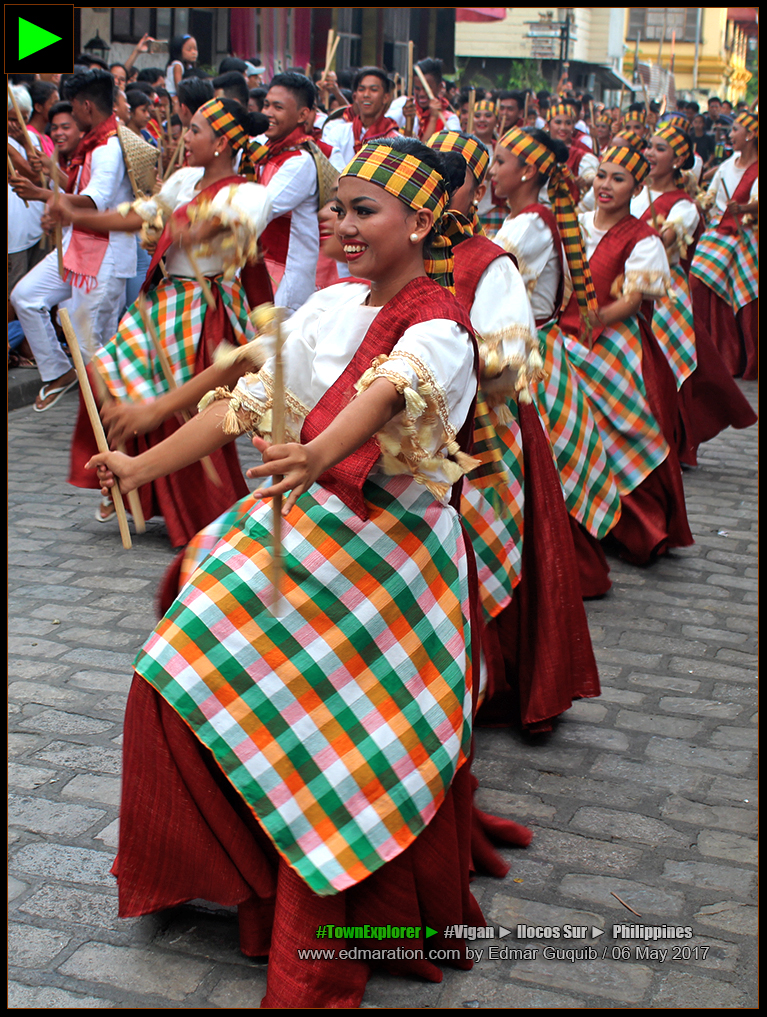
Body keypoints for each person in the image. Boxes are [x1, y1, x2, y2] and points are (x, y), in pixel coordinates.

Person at [85, 136, 528, 1009]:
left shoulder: (440, 322)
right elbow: (238, 407)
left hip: (391, 551)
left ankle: (313, 892)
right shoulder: (328, 306)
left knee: (337, 739)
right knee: (171, 673)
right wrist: (137, 467)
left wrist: (315, 451)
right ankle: (247, 870)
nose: (343, 224)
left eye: (366, 210)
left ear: (421, 220)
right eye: (338, 207)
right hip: (311, 520)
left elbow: (388, 393)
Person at [428, 128, 600, 731]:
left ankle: (484, 677)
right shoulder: (407, 254)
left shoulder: (489, 260)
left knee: (479, 546)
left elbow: (506, 358)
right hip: (412, 436)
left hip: (480, 433)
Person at [56, 98, 271, 542]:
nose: (185, 137)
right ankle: (128, 478)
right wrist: (73, 213)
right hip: (162, 299)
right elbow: (141, 216)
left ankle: (198, 511)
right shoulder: (184, 180)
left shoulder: (249, 191)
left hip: (205, 304)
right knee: (103, 373)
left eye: (194, 130)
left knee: (186, 407)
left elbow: (235, 223)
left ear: (222, 143)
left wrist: (198, 225)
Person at [491, 127, 620, 597]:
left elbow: (493, 280)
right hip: (531, 352)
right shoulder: (525, 218)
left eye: (501, 161)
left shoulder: (531, 224)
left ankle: (559, 568)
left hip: (531, 360)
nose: (492, 169)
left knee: (540, 462)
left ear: (527, 171)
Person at [559, 144, 693, 564]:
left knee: (621, 430)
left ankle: (630, 523)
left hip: (613, 344)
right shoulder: (573, 224)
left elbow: (634, 301)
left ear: (636, 187)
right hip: (563, 337)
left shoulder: (643, 239)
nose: (606, 185)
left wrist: (595, 321)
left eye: (618, 179)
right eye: (601, 175)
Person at [10, 69, 135, 412]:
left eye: (73, 111)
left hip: (106, 255)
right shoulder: (94, 141)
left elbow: (95, 200)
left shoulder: (109, 146)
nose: (68, 117)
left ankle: (114, 425)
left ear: (85, 107)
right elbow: (77, 189)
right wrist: (49, 180)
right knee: (26, 296)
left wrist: (40, 193)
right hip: (76, 246)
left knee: (92, 349)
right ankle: (59, 372)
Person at [634, 122, 757, 465]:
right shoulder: (631, 192)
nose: (650, 153)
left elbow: (664, 242)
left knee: (665, 372)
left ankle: (668, 443)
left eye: (660, 148)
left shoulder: (684, 207)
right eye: (649, 146)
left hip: (664, 298)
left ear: (678, 160)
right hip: (623, 290)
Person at [690, 110, 758, 380]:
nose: (730, 135)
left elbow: (755, 203)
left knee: (743, 296)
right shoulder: (728, 164)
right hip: (719, 233)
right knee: (697, 282)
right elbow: (711, 194)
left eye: (736, 130)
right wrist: (700, 199)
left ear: (751, 135)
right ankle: (711, 355)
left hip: (746, 236)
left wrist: (742, 207)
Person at [252, 73, 321, 311]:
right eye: (266, 105)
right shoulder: (261, 149)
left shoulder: (300, 161)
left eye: (278, 107)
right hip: (259, 268)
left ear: (303, 115)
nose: (268, 113)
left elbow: (259, 209)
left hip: (287, 278)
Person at [321, 66, 398, 170]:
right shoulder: (337, 133)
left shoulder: (395, 141)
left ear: (385, 97)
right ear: (355, 97)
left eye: (373, 90)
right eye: (361, 89)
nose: (366, 95)